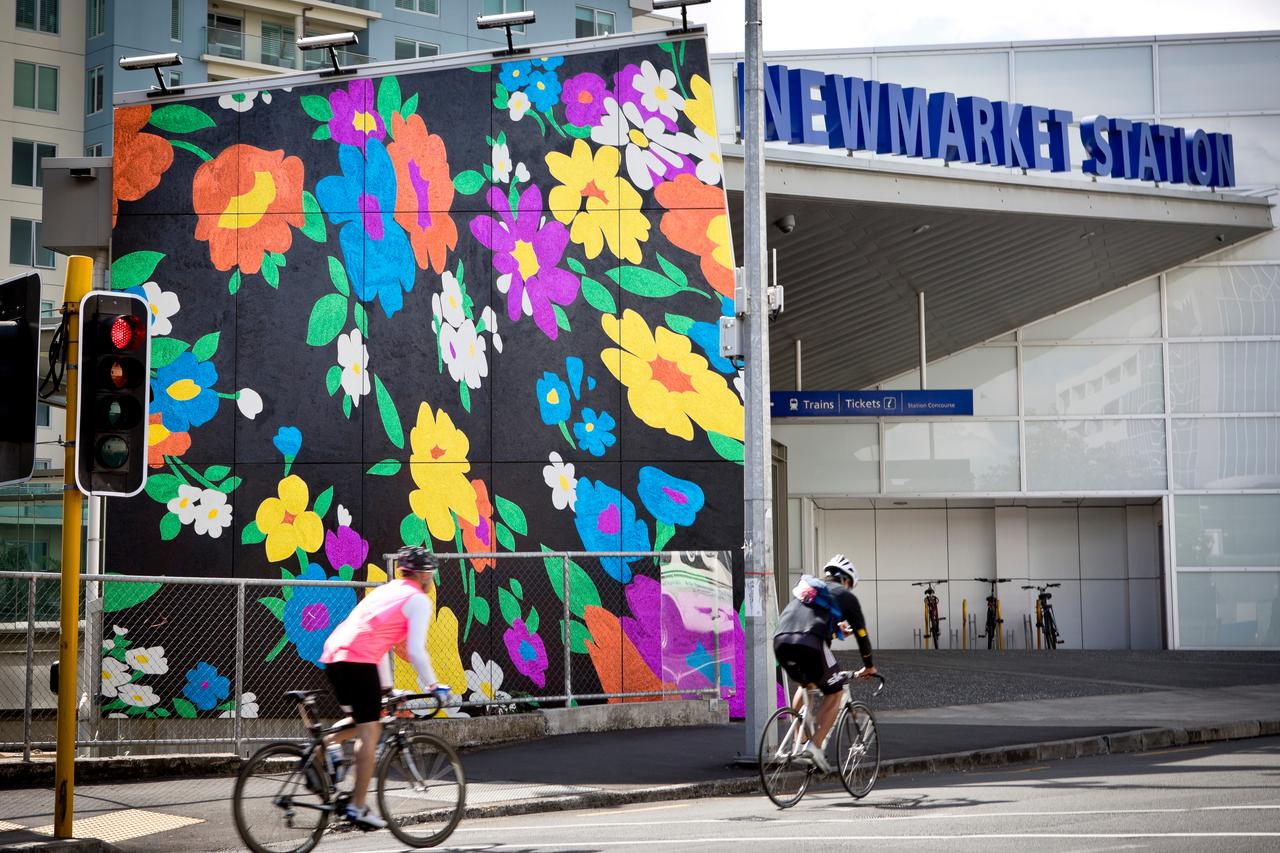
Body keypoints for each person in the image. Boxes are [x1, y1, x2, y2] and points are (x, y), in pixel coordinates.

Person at [319, 546, 443, 830]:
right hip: (358, 660)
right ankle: (357, 805)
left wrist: (388, 690)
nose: (432, 578)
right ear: (424, 574)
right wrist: (434, 685)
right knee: (370, 729)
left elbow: (379, 641)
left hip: (335, 655)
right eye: (431, 572)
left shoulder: (385, 591)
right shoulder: (418, 599)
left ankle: (327, 746)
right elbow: (416, 650)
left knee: (367, 716)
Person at [772, 554, 877, 774]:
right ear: (846, 581)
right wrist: (868, 665)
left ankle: (798, 743)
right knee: (836, 692)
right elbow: (861, 633)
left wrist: (837, 631)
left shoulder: (813, 591)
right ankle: (815, 746)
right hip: (810, 643)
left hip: (781, 640)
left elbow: (807, 619)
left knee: (807, 685)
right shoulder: (846, 596)